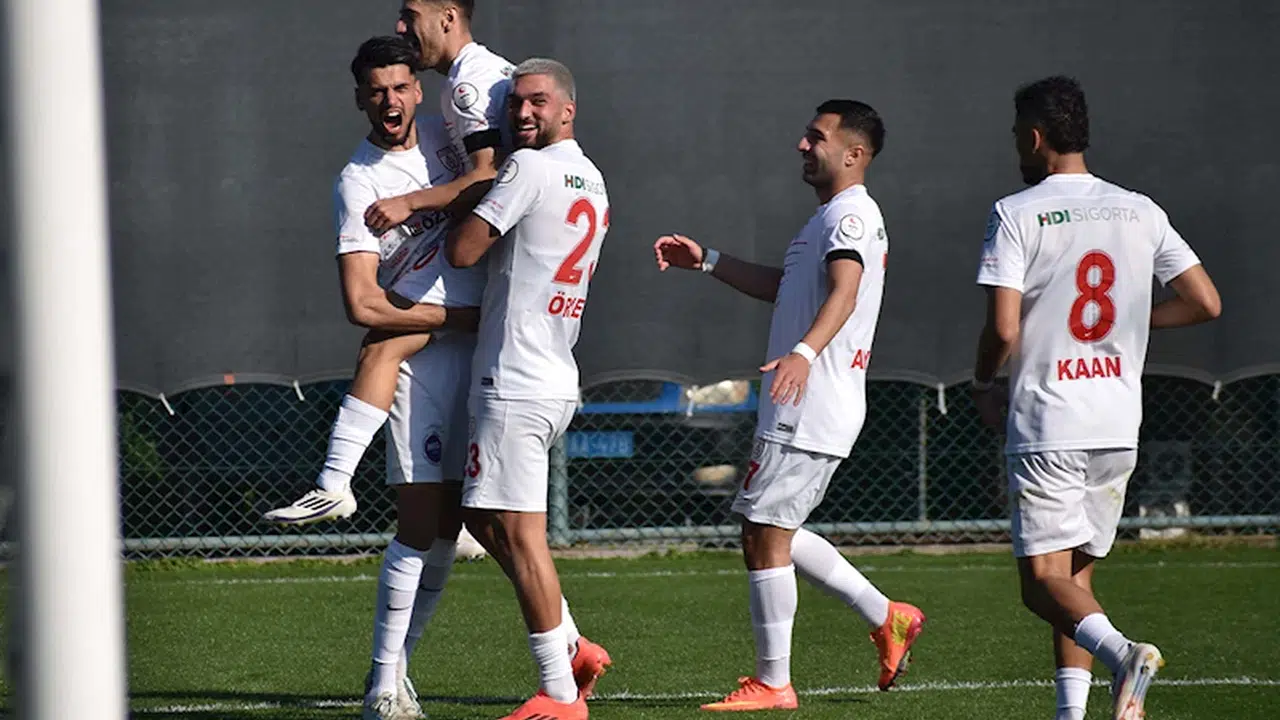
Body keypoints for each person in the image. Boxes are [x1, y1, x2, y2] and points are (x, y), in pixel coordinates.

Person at [653, 100, 926, 711]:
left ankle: (774, 682)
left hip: (812, 398)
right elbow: (788, 286)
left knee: (763, 534)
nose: (803, 146)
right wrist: (709, 261)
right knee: (772, 527)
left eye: (816, 137)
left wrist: (803, 352)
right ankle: (888, 616)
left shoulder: (850, 215)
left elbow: (845, 291)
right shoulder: (828, 218)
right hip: (806, 399)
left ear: (854, 154)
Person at [970, 75, 1222, 720]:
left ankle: (1124, 655)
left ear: (1035, 137)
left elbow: (1003, 329)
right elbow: (1205, 302)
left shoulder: (1016, 212)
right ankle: (1072, 713)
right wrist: (1132, 320)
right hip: (1116, 420)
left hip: (1050, 419)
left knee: (1041, 585)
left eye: (1016, 134)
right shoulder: (1139, 209)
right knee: (1075, 580)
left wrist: (983, 383)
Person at [267, 0, 515, 525]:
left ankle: (334, 482)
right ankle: (336, 486)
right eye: (377, 91)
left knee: (482, 521)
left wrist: (411, 203)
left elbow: (490, 176)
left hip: (479, 316)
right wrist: (456, 320)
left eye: (401, 87)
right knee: (424, 521)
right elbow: (362, 303)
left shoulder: (450, 125)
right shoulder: (358, 181)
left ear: (419, 92)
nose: (390, 100)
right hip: (438, 331)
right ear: (360, 99)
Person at [446, 58, 611, 720]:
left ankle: (560, 694)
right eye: (515, 102)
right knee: (482, 518)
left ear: (568, 109)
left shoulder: (528, 168)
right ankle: (572, 645)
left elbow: (463, 250)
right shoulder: (592, 177)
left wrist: (459, 191)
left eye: (538, 101)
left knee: (520, 535)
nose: (522, 112)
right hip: (550, 371)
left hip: (516, 376)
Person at [363, 0, 516, 235]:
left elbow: (490, 175)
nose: (400, 27)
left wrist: (408, 202)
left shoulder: (467, 84)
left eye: (411, 17)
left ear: (448, 18)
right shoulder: (490, 67)